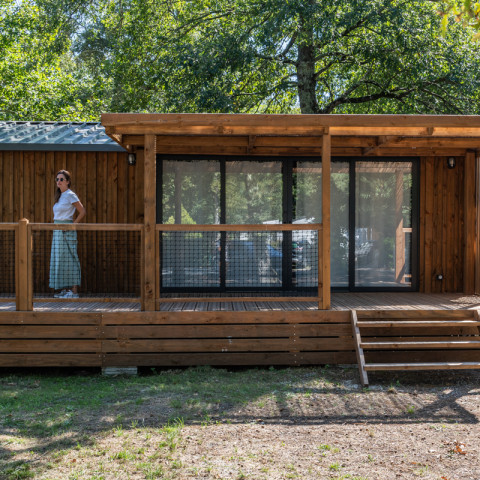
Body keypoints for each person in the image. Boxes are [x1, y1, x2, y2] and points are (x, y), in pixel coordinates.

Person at [49, 170, 86, 298]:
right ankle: (65, 289)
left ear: (68, 182)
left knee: (70, 258)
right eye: (57, 179)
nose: (58, 181)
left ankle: (74, 292)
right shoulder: (59, 196)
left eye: (61, 179)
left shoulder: (71, 195)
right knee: (60, 259)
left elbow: (82, 211)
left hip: (67, 231)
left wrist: (72, 226)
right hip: (57, 231)